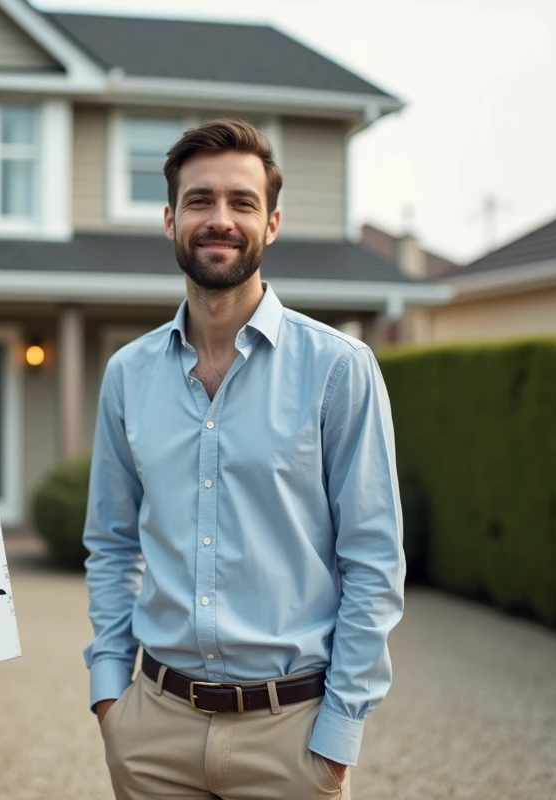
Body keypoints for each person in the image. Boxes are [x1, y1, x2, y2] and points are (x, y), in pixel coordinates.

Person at [82, 118, 405, 799]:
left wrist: (338, 733)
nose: (219, 219)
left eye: (241, 202)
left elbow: (373, 559)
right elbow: (111, 544)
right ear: (170, 219)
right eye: (200, 201)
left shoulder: (338, 369)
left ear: (274, 222)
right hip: (153, 736)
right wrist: (111, 695)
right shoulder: (127, 375)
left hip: (290, 737)